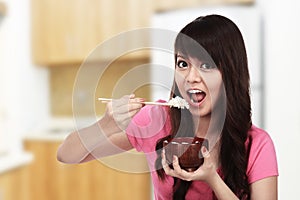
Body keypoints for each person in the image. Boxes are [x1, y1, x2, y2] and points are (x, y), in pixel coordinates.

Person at [57, 15, 278, 200]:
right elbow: (67, 154)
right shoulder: (157, 120)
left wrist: (213, 179)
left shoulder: (257, 144)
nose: (191, 77)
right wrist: (106, 125)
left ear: (230, 73)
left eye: (206, 65)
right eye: (183, 64)